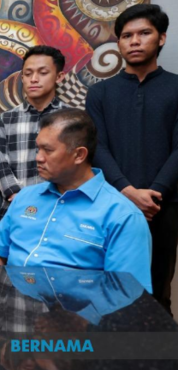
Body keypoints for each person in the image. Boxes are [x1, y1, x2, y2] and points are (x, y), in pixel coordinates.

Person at [0, 108, 152, 293]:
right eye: (38, 148)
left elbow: (127, 293)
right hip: (14, 310)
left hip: (78, 317)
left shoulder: (123, 216)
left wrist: (76, 319)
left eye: (48, 150)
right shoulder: (25, 197)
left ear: (79, 155)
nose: (38, 158)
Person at [85, 4, 177, 314]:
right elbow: (96, 148)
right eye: (127, 36)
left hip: (162, 207)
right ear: (119, 43)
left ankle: (156, 363)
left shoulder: (176, 88)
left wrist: (153, 194)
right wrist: (127, 192)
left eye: (144, 33)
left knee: (157, 291)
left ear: (161, 38)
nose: (134, 41)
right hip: (110, 205)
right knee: (108, 291)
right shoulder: (100, 93)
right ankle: (112, 362)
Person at [0, 45, 71, 220]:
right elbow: (0, 165)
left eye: (43, 73)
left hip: (59, 210)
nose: (34, 79)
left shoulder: (72, 119)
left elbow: (75, 166)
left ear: (59, 77)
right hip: (15, 209)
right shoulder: (6, 119)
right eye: (28, 74)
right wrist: (18, 197)